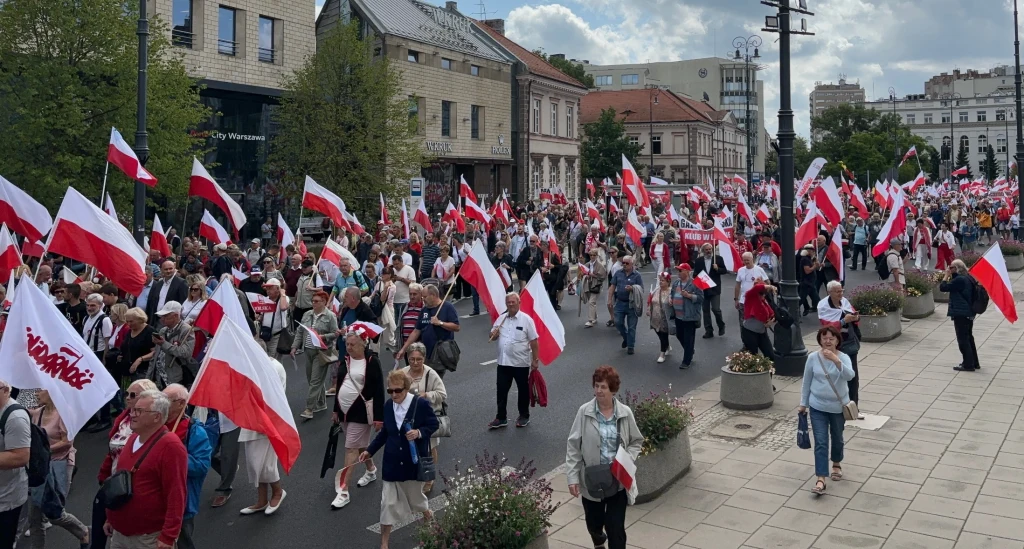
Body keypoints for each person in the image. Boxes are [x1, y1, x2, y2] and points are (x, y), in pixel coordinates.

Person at [565, 366, 644, 549]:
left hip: (617, 479)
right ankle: (598, 538)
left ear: (613, 390)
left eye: (603, 387)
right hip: (592, 479)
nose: (599, 390)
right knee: (594, 523)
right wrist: (572, 478)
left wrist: (627, 458)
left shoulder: (624, 413)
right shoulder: (584, 412)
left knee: (616, 529)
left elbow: (636, 441)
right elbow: (574, 447)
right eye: (596, 386)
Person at [359, 370, 438, 549]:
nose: (394, 395)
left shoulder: (420, 404)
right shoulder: (388, 406)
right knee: (387, 504)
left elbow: (434, 424)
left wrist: (419, 433)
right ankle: (384, 543)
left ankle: (427, 513)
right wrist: (369, 451)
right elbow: (385, 433)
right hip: (392, 463)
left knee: (415, 499)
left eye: (398, 390)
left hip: (412, 462)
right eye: (390, 391)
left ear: (406, 388)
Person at [103, 390, 187, 549]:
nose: (132, 414)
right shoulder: (133, 438)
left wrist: (168, 536)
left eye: (139, 411)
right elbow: (119, 481)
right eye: (132, 410)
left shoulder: (171, 446)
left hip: (148, 538)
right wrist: (110, 518)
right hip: (120, 533)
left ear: (157, 417)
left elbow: (176, 494)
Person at [93, 379, 158, 549]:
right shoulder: (122, 419)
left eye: (133, 395)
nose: (127, 398)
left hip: (135, 487)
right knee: (100, 526)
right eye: (126, 394)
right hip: (115, 482)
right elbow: (111, 449)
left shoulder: (151, 424)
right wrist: (104, 475)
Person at [331, 331, 385, 510]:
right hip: (344, 412)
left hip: (361, 413)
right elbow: (340, 385)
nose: (348, 347)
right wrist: (335, 409)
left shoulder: (372, 361)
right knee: (360, 445)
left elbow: (379, 390)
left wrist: (379, 418)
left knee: (351, 448)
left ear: (363, 344)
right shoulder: (346, 360)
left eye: (352, 344)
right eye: (347, 344)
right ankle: (371, 470)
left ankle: (344, 491)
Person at [798, 326, 855, 495]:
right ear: (820, 341)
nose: (828, 341)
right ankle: (821, 478)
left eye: (831, 338)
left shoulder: (843, 358)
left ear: (837, 341)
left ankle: (836, 462)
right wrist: (803, 403)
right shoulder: (813, 358)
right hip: (817, 406)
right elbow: (807, 381)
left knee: (837, 438)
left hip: (837, 407)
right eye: (824, 338)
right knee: (821, 442)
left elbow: (850, 376)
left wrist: (836, 361)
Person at [162, 384, 211, 548]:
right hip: (158, 498)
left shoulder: (195, 431)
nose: (161, 404)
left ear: (181, 403)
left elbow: (201, 466)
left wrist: (174, 458)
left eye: (166, 400)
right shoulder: (156, 425)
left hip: (182, 501)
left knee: (182, 540)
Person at [238, 358, 288, 517]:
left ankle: (278, 492)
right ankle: (262, 500)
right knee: (254, 462)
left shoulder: (273, 367)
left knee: (267, 463)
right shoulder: (250, 366)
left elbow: (273, 396)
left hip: (267, 420)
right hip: (251, 419)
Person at [487, 293, 540, 430]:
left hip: (520, 363)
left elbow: (534, 341)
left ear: (519, 302)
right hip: (503, 362)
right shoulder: (501, 319)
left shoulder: (526, 320)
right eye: (508, 302)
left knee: (523, 390)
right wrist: (493, 334)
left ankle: (524, 416)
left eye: (513, 302)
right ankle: (501, 417)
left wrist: (535, 360)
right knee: (501, 391)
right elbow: (492, 336)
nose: (511, 304)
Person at [399, 342, 446, 494]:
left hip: (427, 419)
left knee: (430, 448)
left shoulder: (431, 374)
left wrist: (426, 395)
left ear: (424, 358)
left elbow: (442, 394)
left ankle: (429, 478)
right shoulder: (403, 373)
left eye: (419, 359)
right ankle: (414, 474)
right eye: (412, 359)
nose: (415, 362)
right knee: (411, 446)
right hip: (408, 418)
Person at [817, 281, 863, 416]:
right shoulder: (823, 306)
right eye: (837, 291)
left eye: (841, 291)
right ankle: (835, 405)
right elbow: (826, 327)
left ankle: (853, 407)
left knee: (853, 376)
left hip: (850, 344)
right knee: (835, 376)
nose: (841, 294)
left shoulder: (844, 302)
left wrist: (855, 317)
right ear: (829, 292)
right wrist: (843, 321)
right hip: (835, 346)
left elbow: (853, 314)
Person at [292, 291, 339, 419]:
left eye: (316, 301)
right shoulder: (307, 314)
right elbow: (300, 331)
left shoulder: (330, 316)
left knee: (315, 380)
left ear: (324, 302)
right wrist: (294, 346)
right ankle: (321, 402)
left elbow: (335, 333)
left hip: (321, 351)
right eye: (312, 301)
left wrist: (323, 336)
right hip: (308, 350)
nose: (313, 303)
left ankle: (309, 408)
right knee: (311, 378)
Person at [396, 285, 460, 378]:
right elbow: (416, 331)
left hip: (439, 353)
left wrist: (440, 323)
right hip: (425, 353)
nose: (423, 299)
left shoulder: (447, 307)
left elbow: (456, 327)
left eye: (425, 297)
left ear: (433, 295)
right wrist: (403, 349)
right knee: (423, 379)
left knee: (432, 380)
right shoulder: (424, 310)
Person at [940, 259, 980, 372]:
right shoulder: (968, 277)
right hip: (969, 312)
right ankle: (974, 362)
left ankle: (968, 364)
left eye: (951, 267)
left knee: (963, 339)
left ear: (957, 268)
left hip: (961, 312)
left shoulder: (959, 280)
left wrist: (946, 276)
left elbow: (943, 287)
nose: (949, 269)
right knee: (969, 337)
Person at [148, 302, 195, 388]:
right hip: (158, 377)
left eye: (165, 316)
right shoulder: (163, 330)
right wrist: (149, 376)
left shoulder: (186, 330)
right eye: (162, 316)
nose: (162, 319)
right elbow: (156, 355)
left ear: (176, 316)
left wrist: (163, 343)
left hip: (174, 378)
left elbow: (185, 353)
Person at [670, 265, 703, 369]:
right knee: (679, 335)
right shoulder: (676, 283)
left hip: (689, 316)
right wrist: (671, 299)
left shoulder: (695, 283)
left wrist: (689, 296)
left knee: (689, 338)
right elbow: (672, 293)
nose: (678, 272)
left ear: (687, 272)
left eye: (680, 270)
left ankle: (686, 361)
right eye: (678, 270)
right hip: (678, 315)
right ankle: (690, 351)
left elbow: (701, 298)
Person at [608, 255, 642, 355]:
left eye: (627, 263)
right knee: (618, 322)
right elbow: (612, 286)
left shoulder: (637, 275)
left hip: (632, 303)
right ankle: (626, 338)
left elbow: (641, 289)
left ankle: (631, 346)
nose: (624, 265)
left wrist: (632, 288)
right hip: (620, 302)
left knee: (632, 326)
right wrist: (609, 299)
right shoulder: (618, 273)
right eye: (623, 263)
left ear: (632, 264)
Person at [691, 244, 726, 338]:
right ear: (703, 251)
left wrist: (718, 269)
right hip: (704, 288)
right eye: (706, 249)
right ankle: (709, 331)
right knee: (705, 310)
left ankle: (721, 325)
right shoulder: (699, 261)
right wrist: (698, 278)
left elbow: (724, 270)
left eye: (710, 249)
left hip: (715, 288)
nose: (708, 251)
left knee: (716, 309)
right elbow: (695, 274)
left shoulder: (718, 259)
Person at [741, 281, 777, 360]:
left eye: (764, 293)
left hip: (761, 332)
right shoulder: (750, 296)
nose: (763, 295)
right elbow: (757, 288)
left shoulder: (764, 302)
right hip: (749, 331)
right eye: (761, 293)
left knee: (770, 355)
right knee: (753, 357)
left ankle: (770, 368)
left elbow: (772, 314)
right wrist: (771, 286)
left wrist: (770, 322)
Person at [145, 260, 188, 326]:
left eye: (170, 269)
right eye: (166, 269)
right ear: (161, 270)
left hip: (171, 321)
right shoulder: (159, 284)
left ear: (174, 269)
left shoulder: (181, 283)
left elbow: (183, 302)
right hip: (157, 320)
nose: (168, 271)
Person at [259, 278, 290, 360]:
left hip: (277, 335)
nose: (268, 291)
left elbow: (283, 307)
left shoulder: (283, 298)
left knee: (273, 358)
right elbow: (262, 315)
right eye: (267, 288)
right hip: (265, 333)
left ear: (278, 288)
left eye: (270, 288)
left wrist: (283, 294)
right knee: (265, 357)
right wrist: (259, 317)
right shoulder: (266, 299)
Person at [647, 272, 674, 364]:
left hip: (665, 318)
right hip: (655, 317)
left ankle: (662, 354)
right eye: (660, 280)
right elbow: (650, 300)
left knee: (663, 334)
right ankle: (667, 345)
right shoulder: (656, 290)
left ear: (668, 282)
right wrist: (648, 309)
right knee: (659, 332)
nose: (661, 282)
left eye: (663, 280)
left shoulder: (671, 292)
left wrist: (671, 301)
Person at [734, 252, 769, 322]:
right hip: (743, 300)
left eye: (748, 260)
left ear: (752, 259)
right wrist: (736, 299)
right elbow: (737, 285)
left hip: (757, 301)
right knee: (743, 322)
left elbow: (768, 283)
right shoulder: (740, 270)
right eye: (744, 260)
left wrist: (763, 293)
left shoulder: (759, 270)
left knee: (757, 322)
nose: (746, 262)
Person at [581, 248, 607, 328]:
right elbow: (582, 273)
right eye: (591, 255)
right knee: (592, 302)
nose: (592, 256)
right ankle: (594, 317)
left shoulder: (599, 265)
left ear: (596, 256)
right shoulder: (587, 264)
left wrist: (594, 275)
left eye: (594, 255)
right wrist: (585, 275)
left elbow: (603, 276)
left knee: (591, 302)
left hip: (596, 286)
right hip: (588, 285)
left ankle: (590, 320)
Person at [797, 244, 819, 315]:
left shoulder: (809, 259)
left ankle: (816, 308)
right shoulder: (805, 259)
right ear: (808, 251)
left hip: (811, 283)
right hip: (806, 283)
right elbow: (807, 271)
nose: (813, 252)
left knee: (816, 298)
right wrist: (814, 266)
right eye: (812, 251)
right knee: (801, 299)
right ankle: (794, 311)